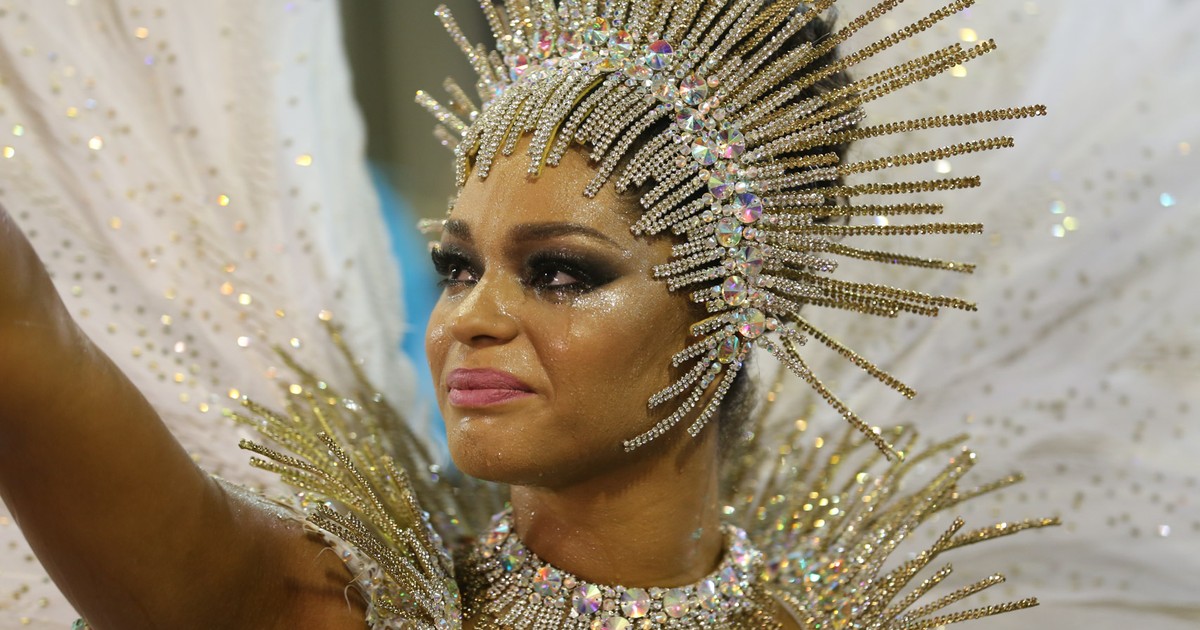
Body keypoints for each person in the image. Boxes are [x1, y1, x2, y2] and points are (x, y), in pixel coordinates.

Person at [2, 0, 1196, 629]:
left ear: (737, 310)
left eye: (562, 273)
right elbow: (26, 337)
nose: (471, 318)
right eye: (458, 265)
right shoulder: (313, 610)